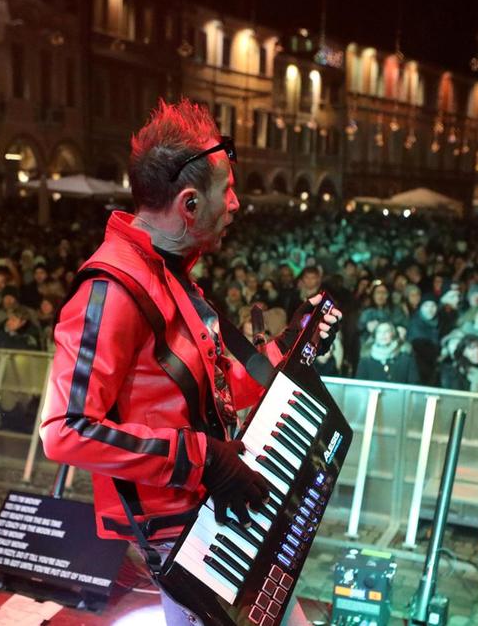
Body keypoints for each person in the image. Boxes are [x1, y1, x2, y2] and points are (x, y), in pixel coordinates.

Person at [39, 99, 339, 626]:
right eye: (228, 189)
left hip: (209, 517)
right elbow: (65, 431)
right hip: (182, 538)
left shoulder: (171, 276)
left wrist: (288, 344)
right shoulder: (111, 290)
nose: (238, 203)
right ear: (190, 203)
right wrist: (205, 459)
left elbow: (219, 391)